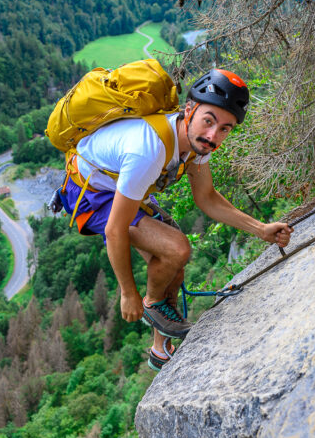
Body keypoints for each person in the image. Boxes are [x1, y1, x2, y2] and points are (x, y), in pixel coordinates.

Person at [57, 68, 293, 370]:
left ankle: (159, 348)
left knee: (172, 267)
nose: (213, 136)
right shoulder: (150, 149)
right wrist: (128, 294)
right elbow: (116, 230)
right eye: (209, 121)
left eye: (225, 129)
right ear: (190, 110)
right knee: (177, 248)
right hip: (91, 192)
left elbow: (206, 198)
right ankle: (152, 305)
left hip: (121, 185)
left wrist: (262, 230)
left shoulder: (197, 146)